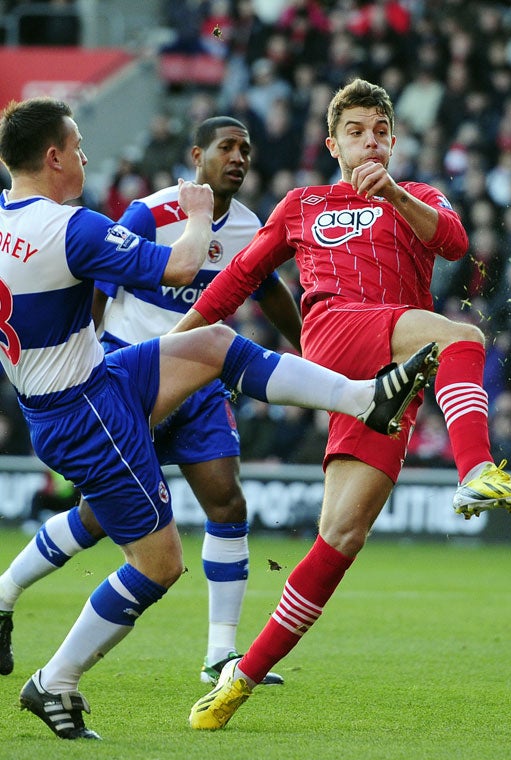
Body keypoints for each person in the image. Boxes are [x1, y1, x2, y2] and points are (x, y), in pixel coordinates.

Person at [0, 96, 437, 739]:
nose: (89, 157)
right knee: (159, 563)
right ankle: (56, 680)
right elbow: (181, 265)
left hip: (94, 377)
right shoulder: (76, 226)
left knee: (213, 345)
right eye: (80, 145)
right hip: (84, 410)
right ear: (55, 156)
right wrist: (199, 216)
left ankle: (363, 397)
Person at [178, 77, 511, 731]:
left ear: (394, 140)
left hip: (388, 382)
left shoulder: (420, 197)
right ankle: (474, 472)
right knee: (463, 337)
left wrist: (397, 196)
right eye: (356, 131)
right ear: (332, 143)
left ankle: (239, 679)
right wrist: (173, 350)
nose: (370, 141)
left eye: (380, 130)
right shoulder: (304, 202)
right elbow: (242, 275)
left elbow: (457, 245)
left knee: (341, 536)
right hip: (336, 332)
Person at [0, 116, 302, 687]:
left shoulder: (249, 227)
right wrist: (78, 373)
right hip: (129, 373)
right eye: (225, 147)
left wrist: (308, 344)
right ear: (197, 155)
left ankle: (220, 654)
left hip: (200, 381)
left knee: (226, 501)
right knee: (101, 518)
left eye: (245, 148)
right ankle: (8, 590)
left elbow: (270, 291)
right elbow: (94, 290)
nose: (238, 157)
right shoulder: (149, 213)